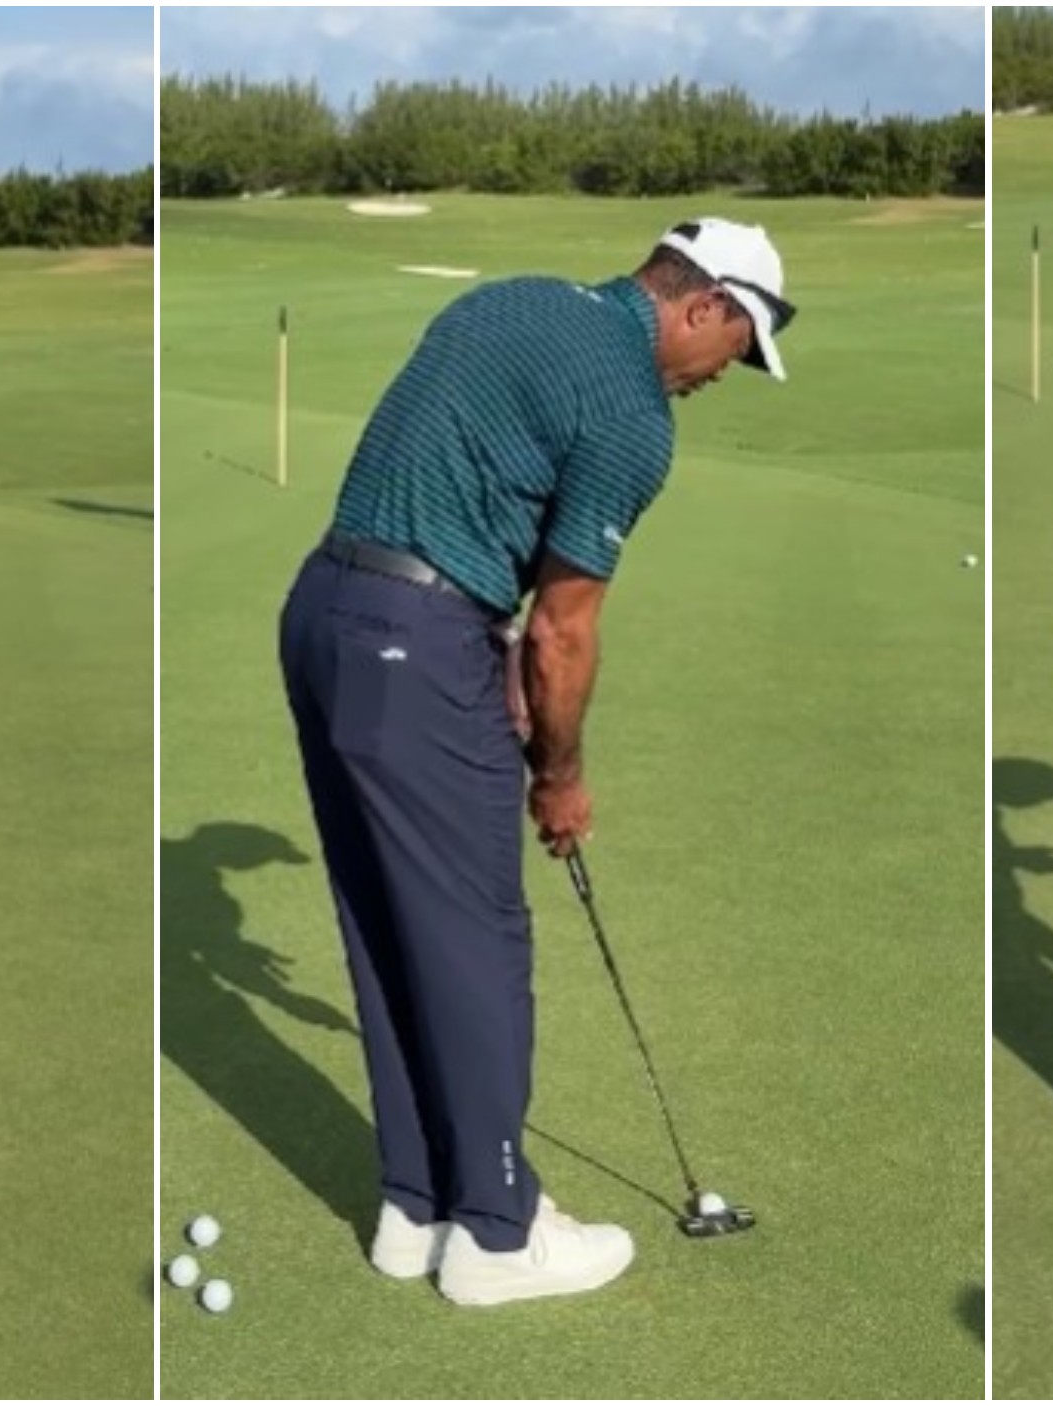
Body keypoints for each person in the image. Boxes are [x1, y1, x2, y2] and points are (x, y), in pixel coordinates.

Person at [278, 218, 792, 1306]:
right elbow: (563, 629)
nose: (724, 375)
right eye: (736, 347)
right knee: (476, 934)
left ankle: (417, 1205)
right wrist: (557, 775)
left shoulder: (508, 296)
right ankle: (499, 1234)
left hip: (323, 612)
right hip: (415, 643)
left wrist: (485, 633)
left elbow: (462, 484)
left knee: (386, 918)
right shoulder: (631, 415)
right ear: (701, 306)